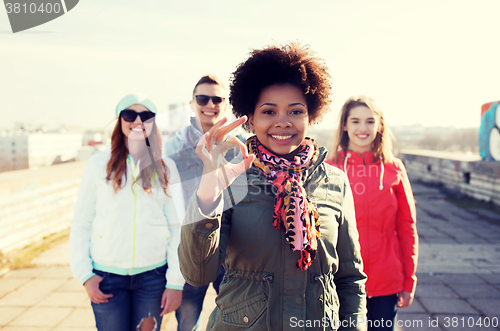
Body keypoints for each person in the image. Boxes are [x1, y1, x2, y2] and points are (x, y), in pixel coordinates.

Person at [179, 43, 367, 331]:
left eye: (295, 111)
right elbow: (197, 274)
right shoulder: (231, 179)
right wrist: (208, 193)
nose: (283, 122)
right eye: (269, 112)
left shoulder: (335, 182)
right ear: (250, 119)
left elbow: (350, 278)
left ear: (310, 116)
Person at [69, 94, 185, 331]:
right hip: (106, 277)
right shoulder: (97, 165)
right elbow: (81, 222)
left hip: (153, 277)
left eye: (146, 116)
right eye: (130, 115)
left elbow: (177, 227)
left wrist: (175, 283)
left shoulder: (166, 168)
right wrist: (84, 275)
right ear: (119, 120)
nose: (138, 121)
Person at [326, 96, 418, 331]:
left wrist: (409, 280)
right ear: (345, 125)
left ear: (379, 126)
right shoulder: (329, 169)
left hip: (386, 280)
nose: (363, 128)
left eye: (370, 121)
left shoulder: (394, 168)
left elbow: (407, 227)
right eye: (355, 121)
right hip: (340, 281)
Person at [164, 75, 244, 331]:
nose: (210, 103)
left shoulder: (238, 143)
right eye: (203, 98)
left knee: (239, 319)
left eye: (217, 99)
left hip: (231, 248)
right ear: (192, 103)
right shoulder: (174, 146)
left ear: (225, 104)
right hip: (191, 244)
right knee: (188, 322)